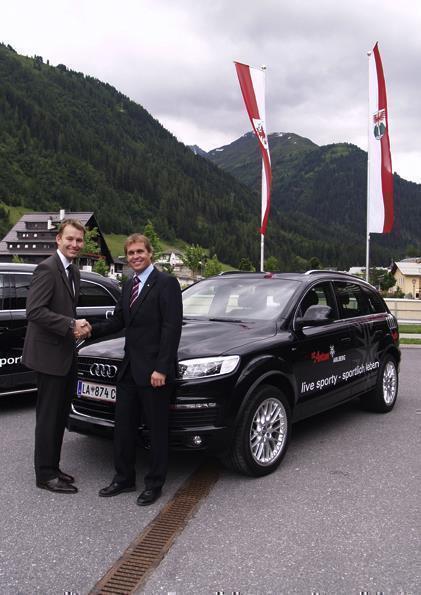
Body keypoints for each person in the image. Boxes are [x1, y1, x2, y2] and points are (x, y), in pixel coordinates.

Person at [91, 234, 183, 506]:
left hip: (155, 372)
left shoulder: (166, 283)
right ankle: (124, 479)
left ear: (150, 253)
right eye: (130, 253)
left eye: (140, 251)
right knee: (124, 427)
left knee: (156, 430)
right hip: (129, 369)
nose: (135, 256)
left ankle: (154, 484)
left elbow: (171, 328)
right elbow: (120, 320)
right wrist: (90, 329)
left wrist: (161, 368)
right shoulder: (128, 283)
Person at [23, 219, 92, 494]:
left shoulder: (72, 271)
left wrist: (78, 325)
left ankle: (53, 466)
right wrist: (69, 325)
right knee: (48, 417)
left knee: (60, 415)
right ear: (58, 240)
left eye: (79, 240)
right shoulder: (47, 268)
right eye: (70, 239)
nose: (75, 244)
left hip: (64, 354)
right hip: (48, 358)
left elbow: (64, 310)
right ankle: (45, 475)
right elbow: (34, 311)